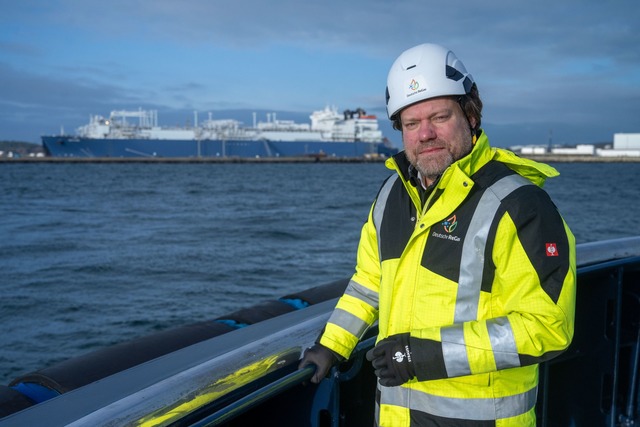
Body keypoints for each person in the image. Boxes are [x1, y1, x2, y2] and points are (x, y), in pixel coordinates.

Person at [299, 43, 576, 426]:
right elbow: (368, 285)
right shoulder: (391, 197)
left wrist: (421, 356)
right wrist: (332, 345)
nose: (425, 134)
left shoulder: (519, 205)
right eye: (412, 124)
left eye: (440, 117)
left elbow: (547, 325)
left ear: (471, 115)